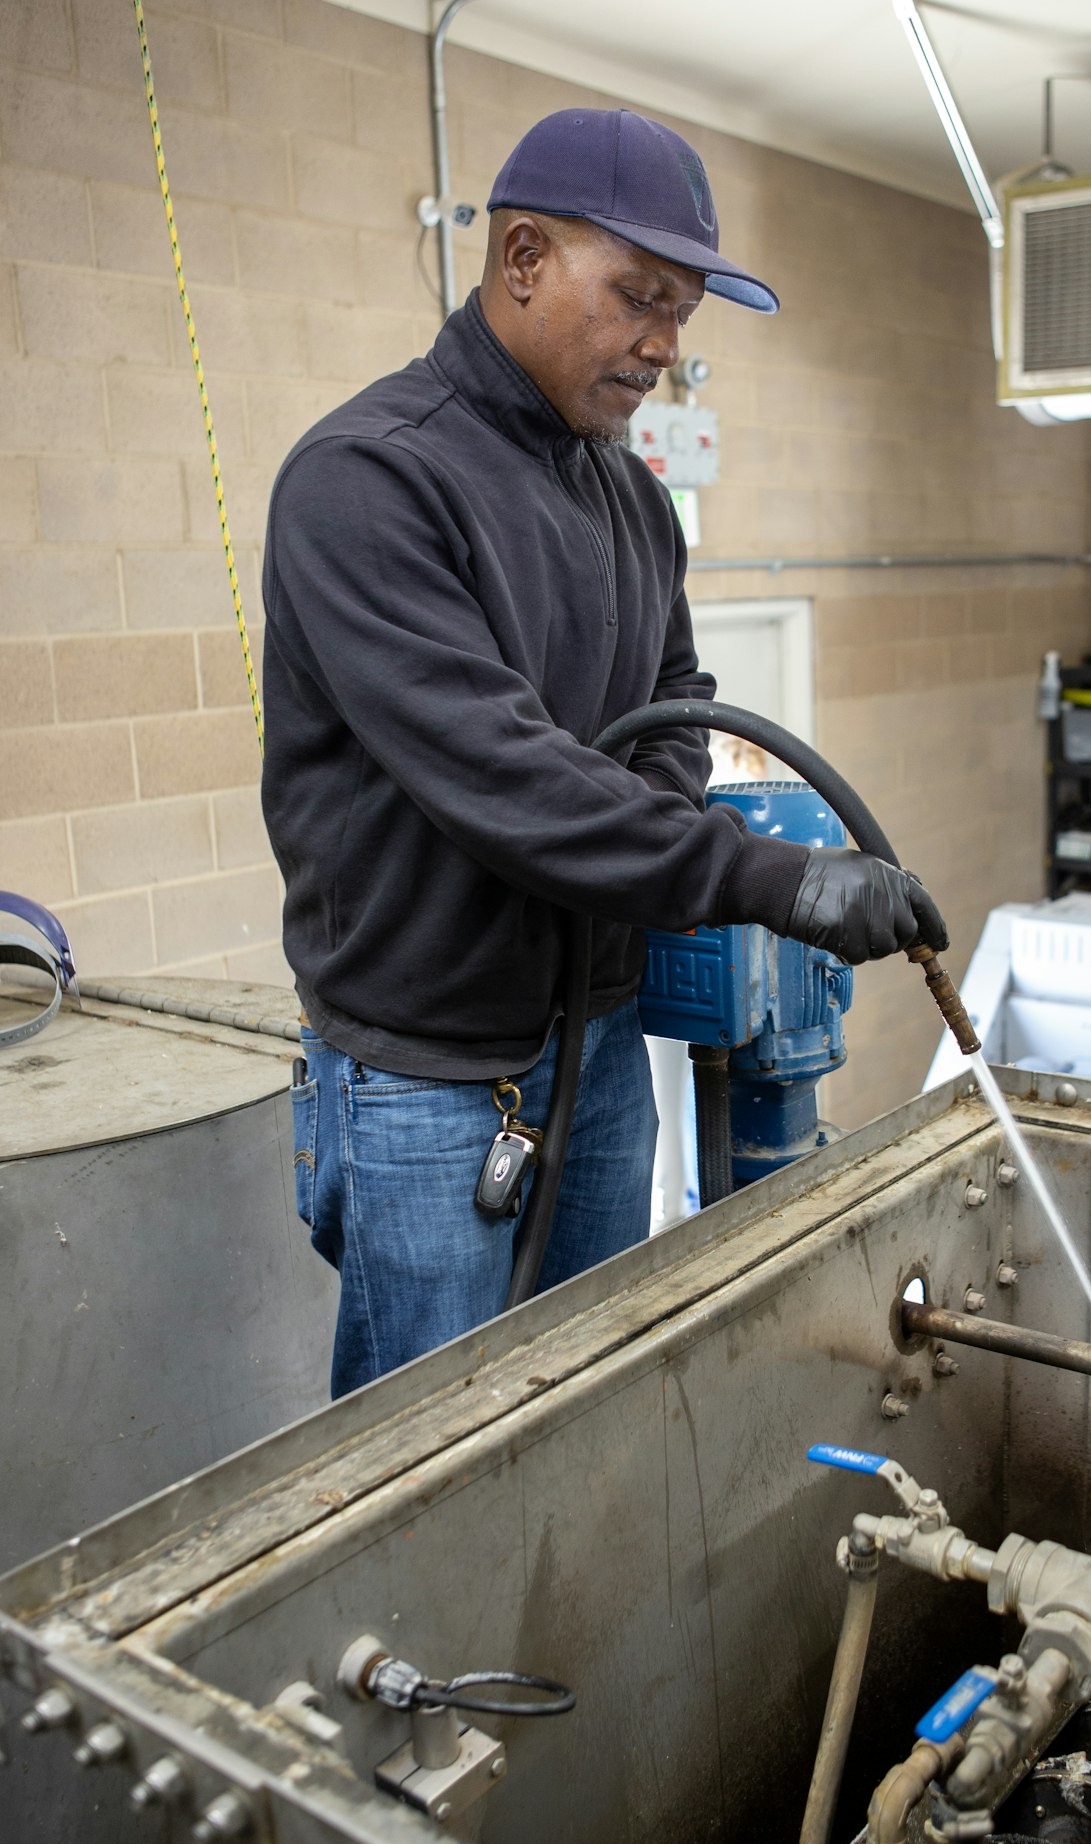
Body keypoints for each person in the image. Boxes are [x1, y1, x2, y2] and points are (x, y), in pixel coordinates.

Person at [261, 107, 945, 1398]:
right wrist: (771, 879)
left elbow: (674, 691)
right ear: (521, 257)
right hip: (428, 1072)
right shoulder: (368, 479)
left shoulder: (625, 491)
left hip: (598, 1034)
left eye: (681, 314)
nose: (662, 348)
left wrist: (653, 826)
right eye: (639, 298)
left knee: (583, 1404)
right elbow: (498, 769)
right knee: (430, 1449)